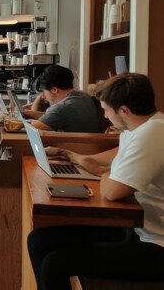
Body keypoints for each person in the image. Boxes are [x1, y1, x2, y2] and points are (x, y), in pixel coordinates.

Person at [27, 73, 164, 290]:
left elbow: (111, 192)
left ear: (124, 111)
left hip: (155, 244)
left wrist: (101, 171)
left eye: (107, 110)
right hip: (137, 229)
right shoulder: (147, 125)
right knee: (39, 241)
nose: (105, 116)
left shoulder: (151, 134)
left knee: (56, 264)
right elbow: (119, 153)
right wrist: (79, 158)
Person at [23, 64, 100, 133]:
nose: (44, 96)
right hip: (86, 144)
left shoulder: (64, 106)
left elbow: (33, 127)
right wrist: (27, 112)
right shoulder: (83, 96)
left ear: (54, 89)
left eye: (44, 91)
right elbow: (52, 117)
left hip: (72, 147)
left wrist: (16, 121)